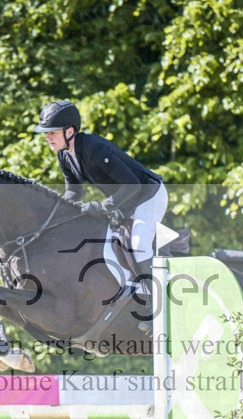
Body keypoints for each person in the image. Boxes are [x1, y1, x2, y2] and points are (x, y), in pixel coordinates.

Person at [33, 99, 167, 283]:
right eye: (47, 133)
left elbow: (132, 184)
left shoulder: (94, 148)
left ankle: (155, 300)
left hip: (149, 195)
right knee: (107, 247)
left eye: (53, 132)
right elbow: (74, 193)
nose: (48, 137)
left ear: (69, 131)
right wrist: (54, 214)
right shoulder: (63, 155)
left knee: (139, 245)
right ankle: (131, 290)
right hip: (126, 203)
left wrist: (104, 207)